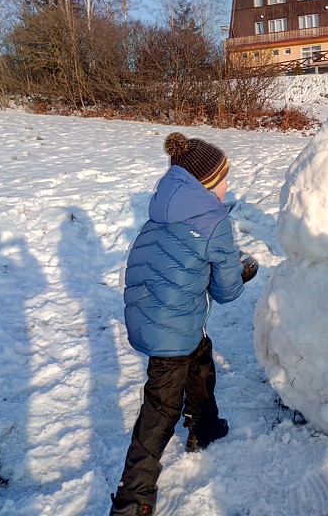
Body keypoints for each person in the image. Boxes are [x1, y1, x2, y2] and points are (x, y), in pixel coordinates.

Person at [110, 132, 258, 516]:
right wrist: (241, 272)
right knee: (160, 408)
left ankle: (204, 427)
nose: (228, 186)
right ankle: (133, 499)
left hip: (150, 314)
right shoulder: (213, 222)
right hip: (170, 326)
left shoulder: (160, 212)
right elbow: (226, 293)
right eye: (225, 179)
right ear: (207, 183)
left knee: (201, 358)